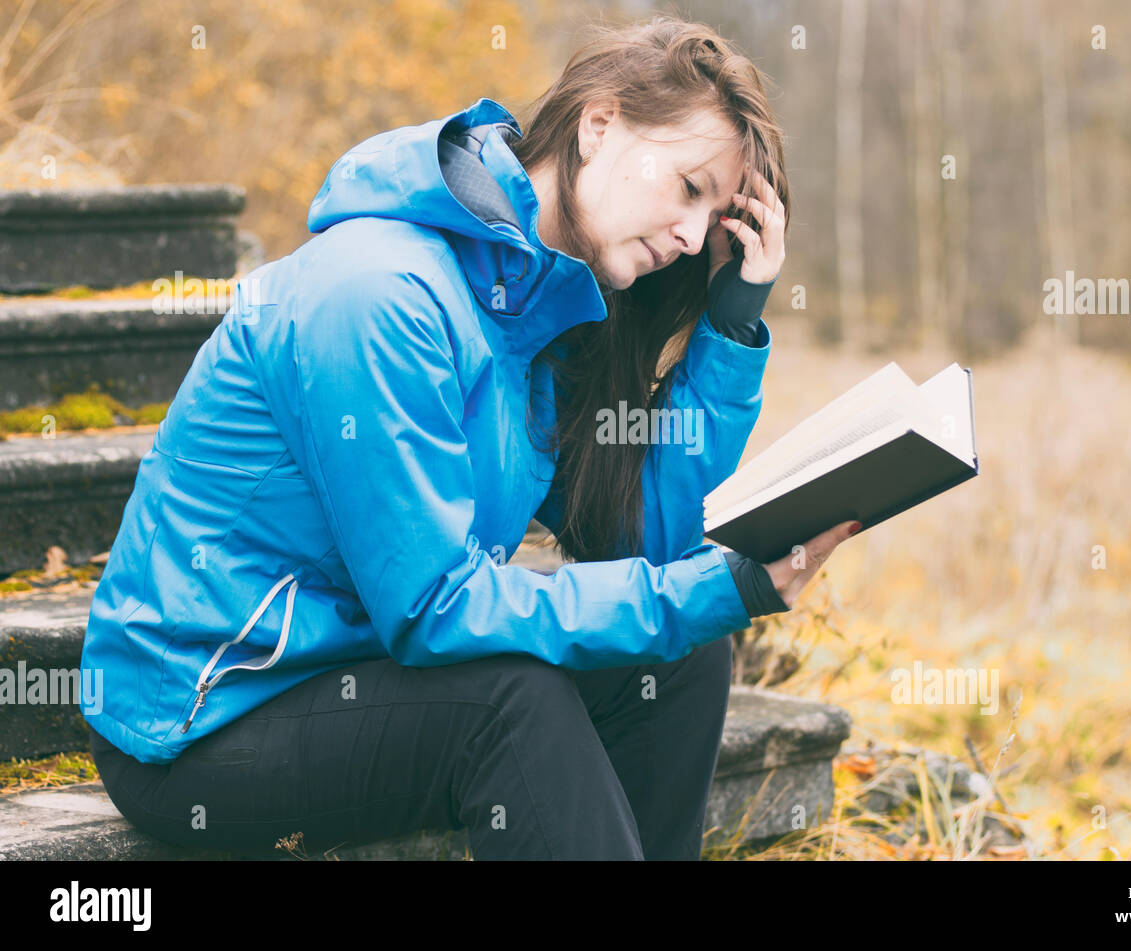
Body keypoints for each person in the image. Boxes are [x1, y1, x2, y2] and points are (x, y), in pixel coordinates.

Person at [81, 15, 861, 861]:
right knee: (512, 699)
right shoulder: (378, 294)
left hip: (365, 675)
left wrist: (732, 319)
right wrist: (709, 589)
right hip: (203, 718)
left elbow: (648, 539)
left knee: (679, 664)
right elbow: (431, 609)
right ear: (599, 126)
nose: (688, 235)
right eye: (688, 187)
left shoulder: (540, 317)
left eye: (712, 216)